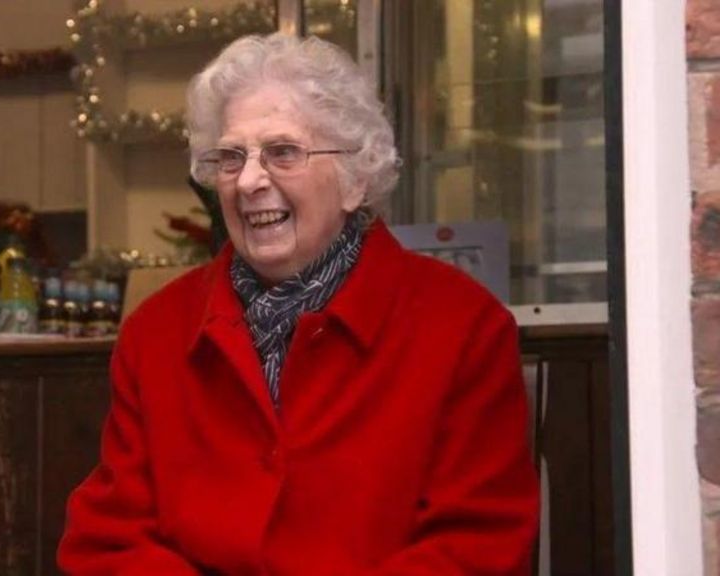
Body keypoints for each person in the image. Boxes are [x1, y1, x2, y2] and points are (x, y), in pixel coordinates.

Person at [58, 33, 539, 575]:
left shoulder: (463, 327)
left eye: (283, 152)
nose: (249, 181)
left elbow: (476, 546)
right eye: (231, 158)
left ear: (356, 177)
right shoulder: (157, 333)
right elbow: (109, 538)